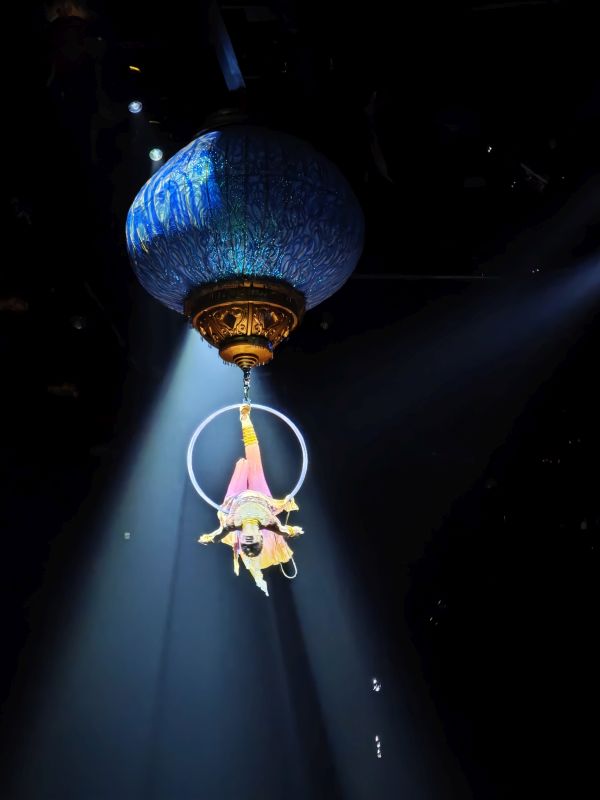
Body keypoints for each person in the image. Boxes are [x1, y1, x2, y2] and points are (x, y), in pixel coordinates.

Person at [198, 404, 303, 595]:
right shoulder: (269, 523)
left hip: (235, 500)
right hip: (260, 498)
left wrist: (208, 539)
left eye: (245, 543)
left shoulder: (232, 524)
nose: (247, 539)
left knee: (242, 466)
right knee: (253, 459)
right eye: (252, 541)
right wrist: (293, 531)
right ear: (260, 537)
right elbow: (285, 531)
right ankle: (245, 419)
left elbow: (217, 536)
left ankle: (244, 420)